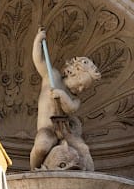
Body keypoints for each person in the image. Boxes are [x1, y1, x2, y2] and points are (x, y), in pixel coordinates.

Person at [30, 28, 101, 171]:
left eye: (84, 88)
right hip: (47, 129)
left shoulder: (74, 99)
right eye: (81, 83)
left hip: (65, 132)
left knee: (83, 148)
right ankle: (34, 169)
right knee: (42, 145)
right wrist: (38, 40)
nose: (81, 89)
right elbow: (40, 61)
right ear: (72, 72)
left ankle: (89, 177)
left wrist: (62, 96)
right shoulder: (53, 77)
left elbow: (71, 108)